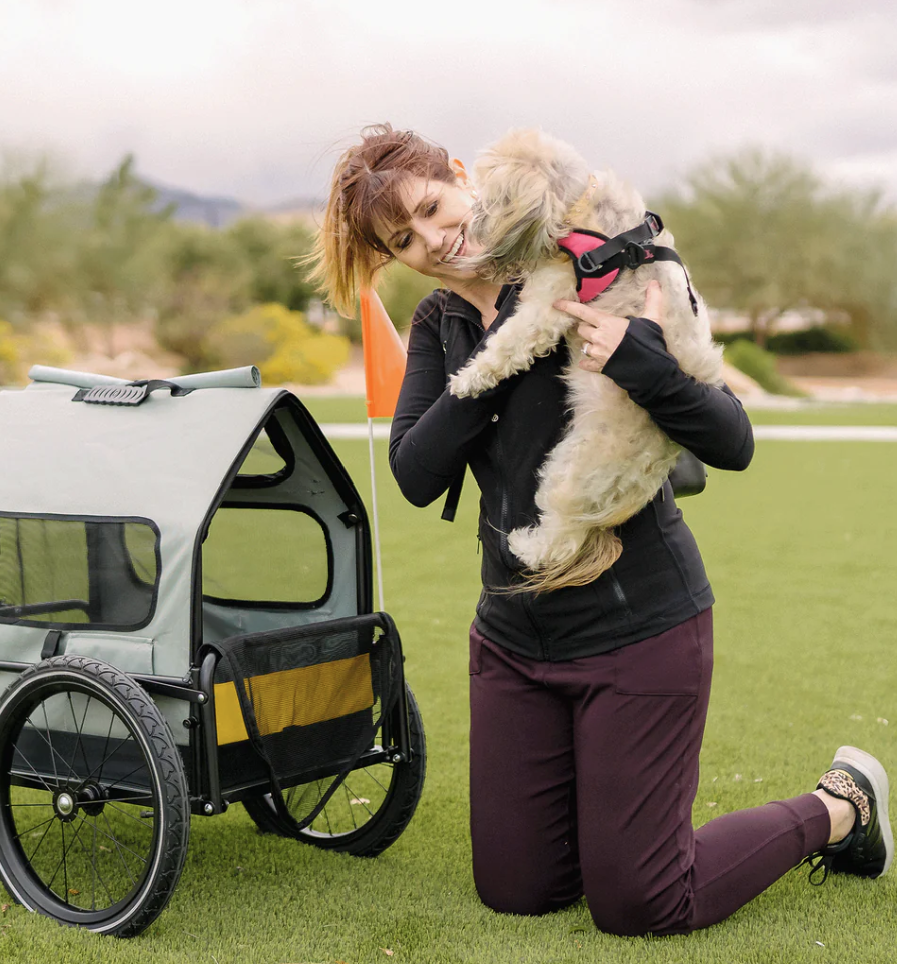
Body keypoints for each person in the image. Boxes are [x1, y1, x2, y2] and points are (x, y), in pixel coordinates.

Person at [307, 123, 891, 936]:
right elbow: (413, 473)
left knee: (644, 903)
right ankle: (610, 828)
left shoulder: (601, 269)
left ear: (464, 177)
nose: (433, 241)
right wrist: (502, 352)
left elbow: (732, 440)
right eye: (403, 240)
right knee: (517, 889)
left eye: (433, 208)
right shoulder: (441, 324)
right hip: (513, 642)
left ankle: (840, 808)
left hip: (639, 630)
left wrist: (639, 359)